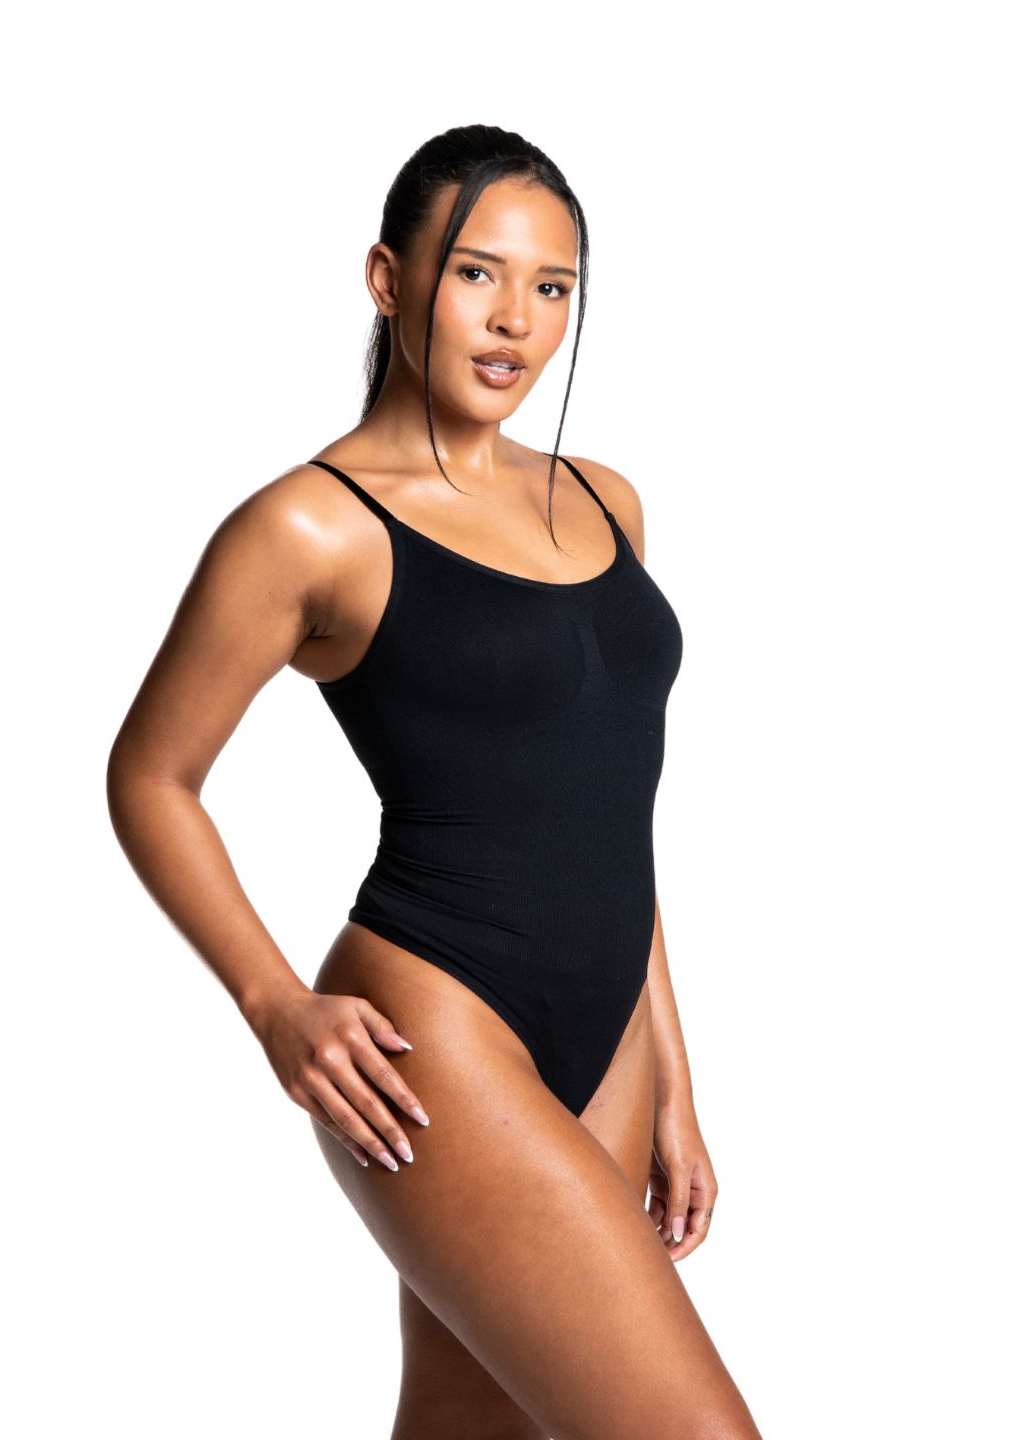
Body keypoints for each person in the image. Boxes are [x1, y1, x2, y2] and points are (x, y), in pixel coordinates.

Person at [107, 123, 763, 1440]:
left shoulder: (606, 501)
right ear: (388, 279)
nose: (517, 319)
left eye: (552, 286)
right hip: (435, 1033)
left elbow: (605, 808)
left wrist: (675, 1078)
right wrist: (274, 1007)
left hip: (610, 1033)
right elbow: (153, 776)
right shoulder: (309, 525)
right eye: (477, 273)